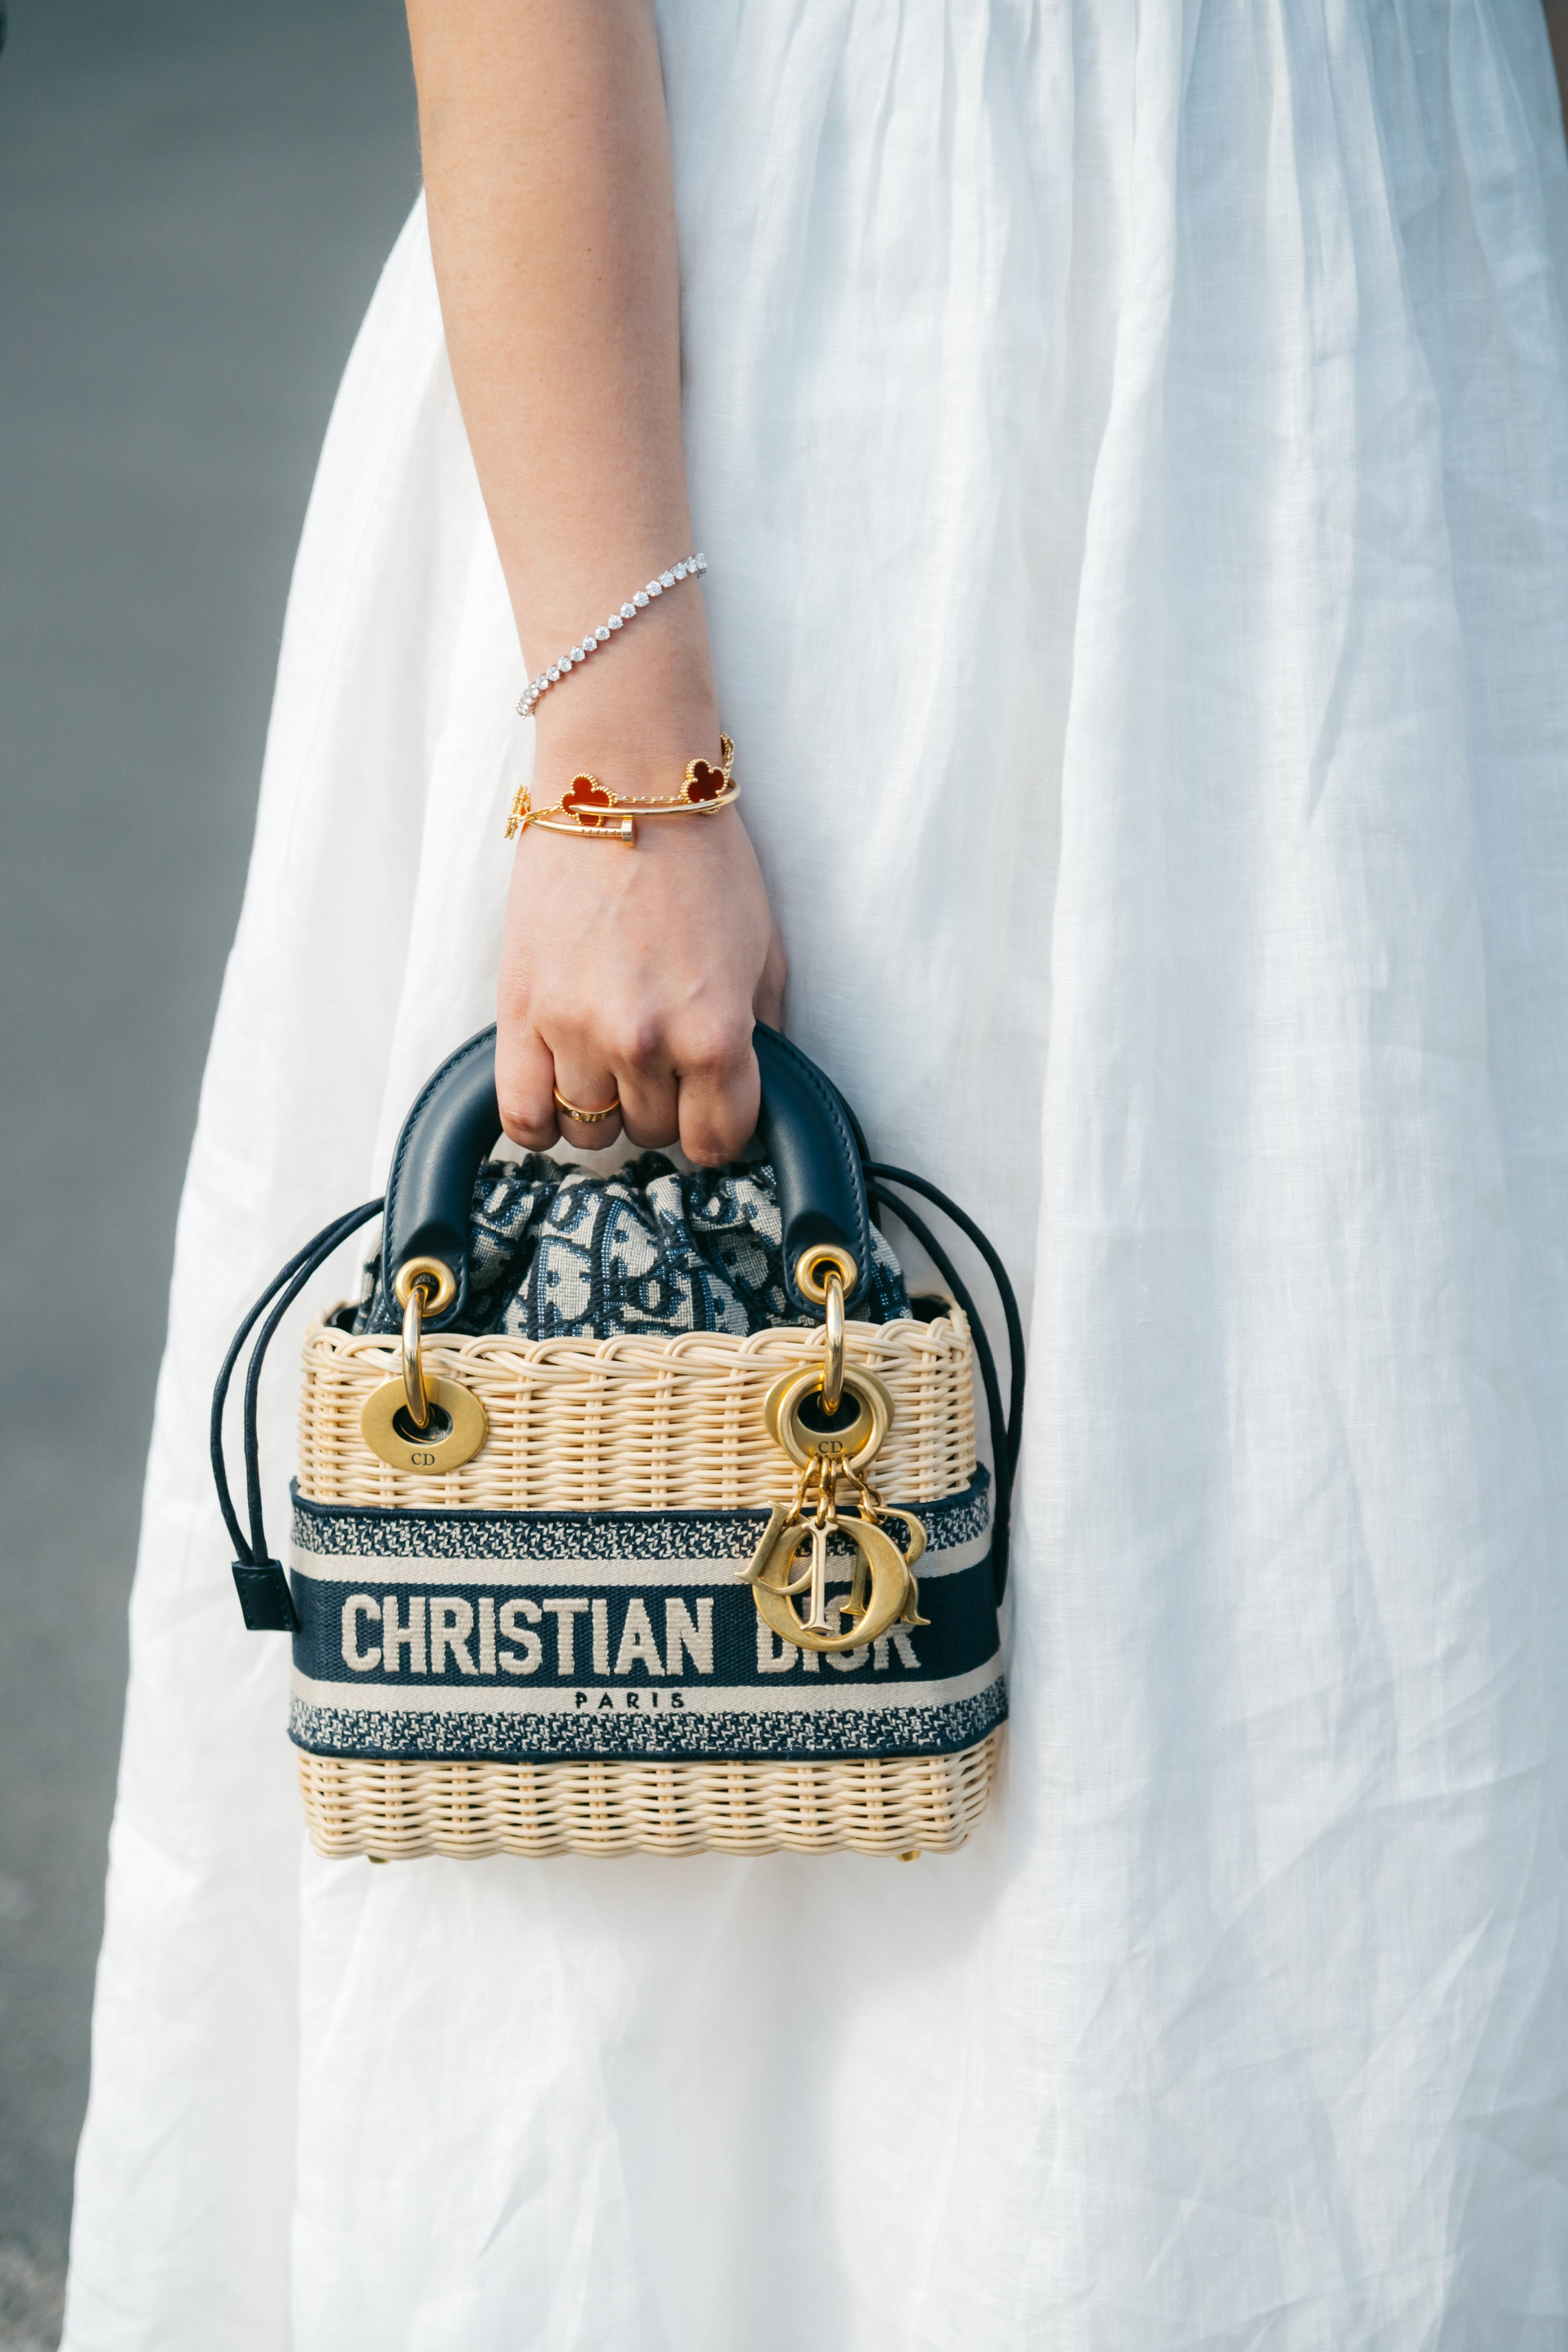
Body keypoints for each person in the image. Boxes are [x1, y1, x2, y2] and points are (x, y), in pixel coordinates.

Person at [62, 4, 1568, 2346]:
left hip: (1394, 384)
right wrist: (619, 761)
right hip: (811, 400)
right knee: (672, 1855)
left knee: (1314, 1573)